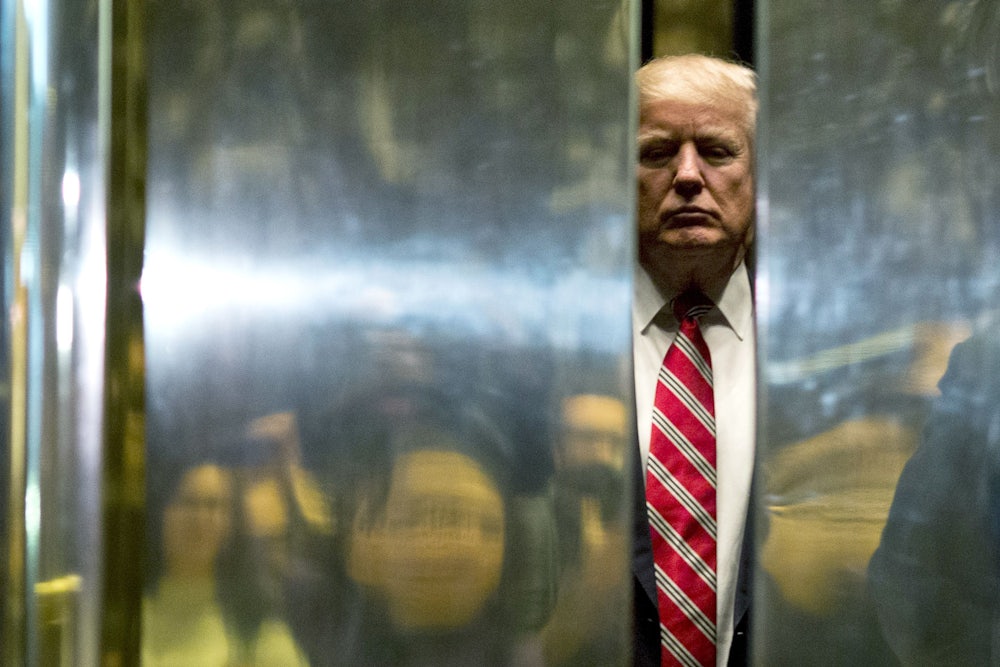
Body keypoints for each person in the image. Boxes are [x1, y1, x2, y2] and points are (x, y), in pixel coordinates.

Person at [631, 53, 757, 667]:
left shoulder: (823, 358)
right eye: (656, 153)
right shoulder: (556, 350)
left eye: (716, 151)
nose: (686, 175)